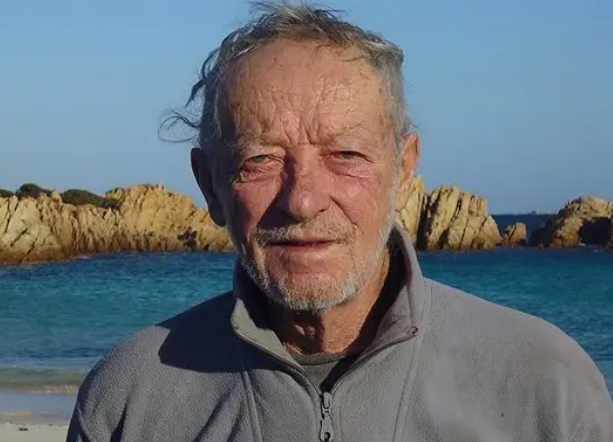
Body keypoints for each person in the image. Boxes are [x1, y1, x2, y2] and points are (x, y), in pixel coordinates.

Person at [66, 3, 613, 441]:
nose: (303, 201)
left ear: (404, 171)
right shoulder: (130, 400)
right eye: (261, 159)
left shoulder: (545, 385)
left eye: (346, 155)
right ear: (210, 184)